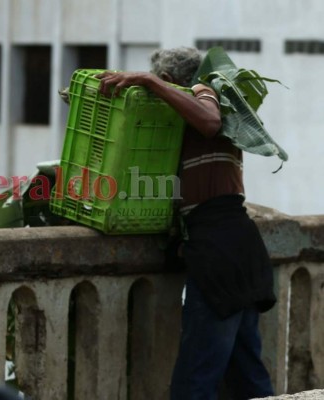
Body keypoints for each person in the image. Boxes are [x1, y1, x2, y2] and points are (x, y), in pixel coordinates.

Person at [97, 47, 277, 400]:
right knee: (247, 377)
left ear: (169, 81)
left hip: (219, 250)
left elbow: (210, 121)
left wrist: (147, 80)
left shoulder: (205, 93)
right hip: (238, 247)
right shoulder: (182, 123)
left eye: (159, 83)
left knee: (195, 382)